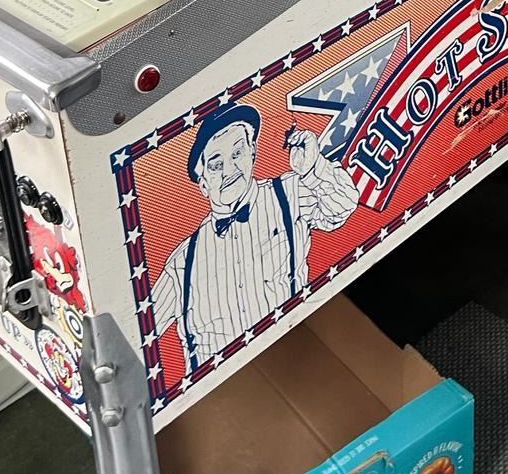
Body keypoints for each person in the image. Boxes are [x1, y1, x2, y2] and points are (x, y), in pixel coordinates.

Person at [152, 104, 358, 372]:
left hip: (300, 352)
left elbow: (343, 206)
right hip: (227, 385)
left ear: (253, 152)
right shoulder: (182, 261)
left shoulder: (288, 194)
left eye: (237, 152)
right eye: (216, 164)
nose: (230, 169)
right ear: (203, 184)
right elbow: (140, 334)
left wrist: (313, 168)